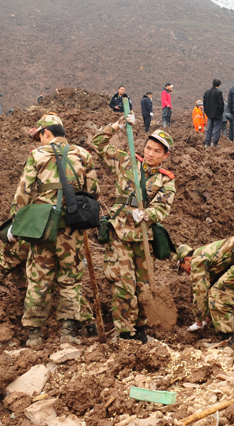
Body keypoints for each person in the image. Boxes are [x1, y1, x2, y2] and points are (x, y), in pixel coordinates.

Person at [0, 114, 99, 345]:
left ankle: (34, 334)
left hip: (42, 226)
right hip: (72, 227)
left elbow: (23, 191)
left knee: (39, 279)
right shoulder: (84, 155)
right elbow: (94, 191)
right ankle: (68, 331)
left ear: (46, 133)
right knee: (70, 279)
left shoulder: (37, 155)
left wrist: (17, 221)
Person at [92, 118, 176, 343]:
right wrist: (117, 125)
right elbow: (98, 143)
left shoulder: (166, 180)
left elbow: (162, 207)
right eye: (148, 148)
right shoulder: (127, 161)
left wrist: (147, 214)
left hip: (143, 239)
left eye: (157, 151)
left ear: (164, 155)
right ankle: (124, 333)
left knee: (143, 287)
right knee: (122, 284)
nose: (150, 154)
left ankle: (140, 330)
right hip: (119, 233)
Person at [203, 79, 225, 147]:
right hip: (217, 115)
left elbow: (205, 103)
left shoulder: (207, 92)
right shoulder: (219, 92)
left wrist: (207, 112)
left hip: (209, 114)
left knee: (208, 128)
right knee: (216, 128)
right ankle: (214, 143)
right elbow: (221, 104)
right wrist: (220, 112)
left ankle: (207, 143)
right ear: (219, 85)